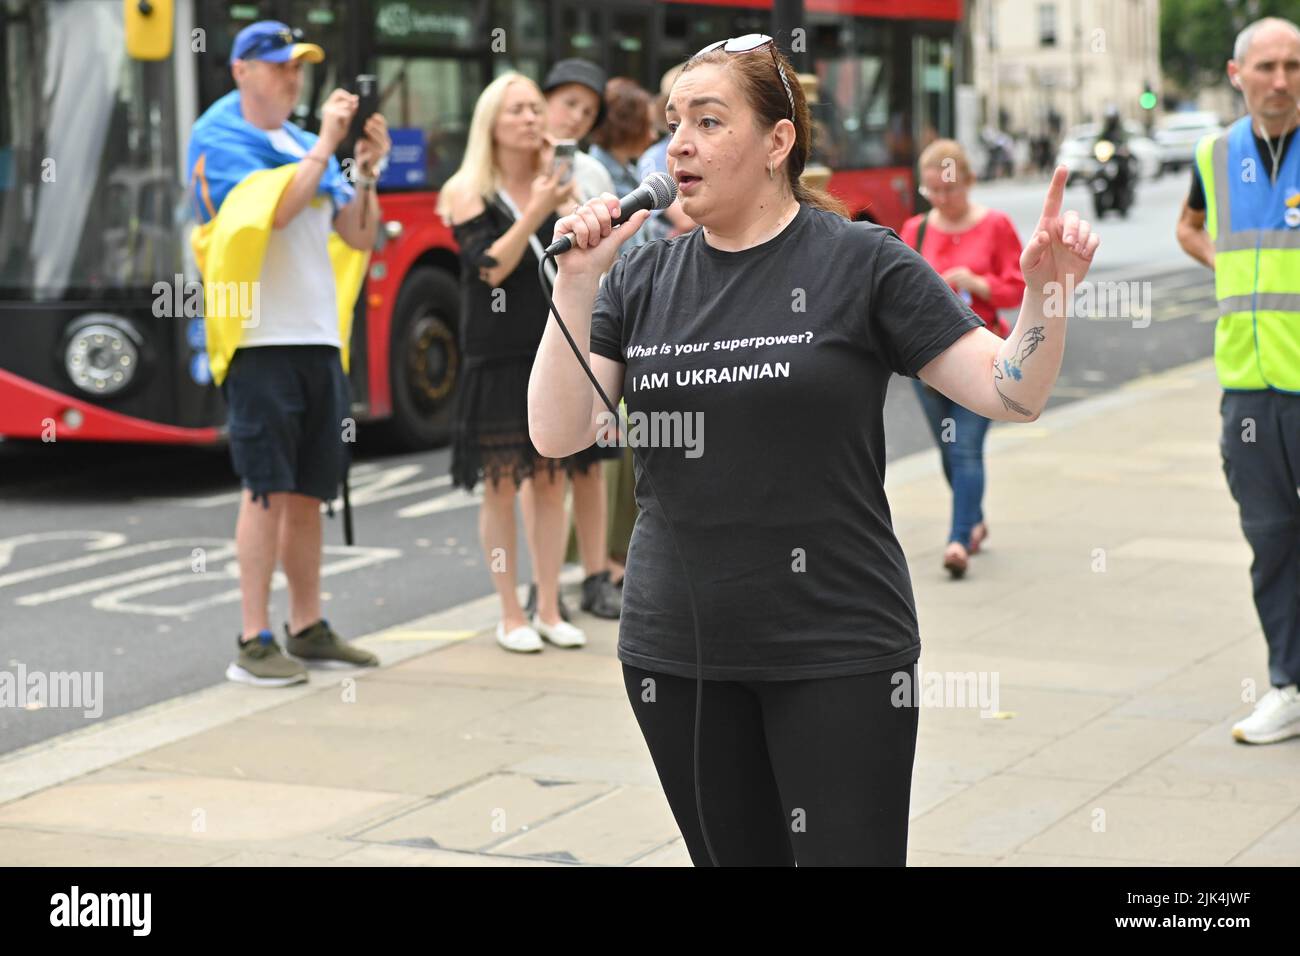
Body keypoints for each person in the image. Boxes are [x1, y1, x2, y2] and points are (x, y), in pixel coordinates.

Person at [528, 35, 1099, 865]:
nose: (678, 143)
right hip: (679, 654)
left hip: (837, 648)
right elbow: (558, 431)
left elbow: (1012, 391)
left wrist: (1046, 295)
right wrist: (576, 284)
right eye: (673, 122)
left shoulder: (862, 262)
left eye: (709, 121)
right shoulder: (640, 280)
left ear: (777, 142)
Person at [186, 20, 390, 685]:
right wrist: (328, 145)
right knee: (265, 489)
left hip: (318, 337)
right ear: (241, 71)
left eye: (298, 67)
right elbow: (270, 215)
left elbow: (359, 238)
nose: (292, 77)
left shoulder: (305, 143)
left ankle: (307, 627)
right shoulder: (218, 138)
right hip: (258, 340)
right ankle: (253, 638)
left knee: (308, 491)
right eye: (278, 66)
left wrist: (363, 171)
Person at [1176, 16, 1300, 745]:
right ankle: (1287, 683)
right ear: (1237, 74)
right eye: (1267, 67)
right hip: (1248, 388)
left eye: (1293, 65)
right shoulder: (1215, 154)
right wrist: (1226, 266)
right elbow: (1191, 225)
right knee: (1272, 541)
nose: (1281, 80)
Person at [437, 72, 591, 654]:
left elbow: (584, 250)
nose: (531, 119)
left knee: (552, 480)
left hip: (551, 345)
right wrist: (537, 209)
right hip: (495, 353)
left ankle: (548, 605)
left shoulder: (560, 182)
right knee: (501, 483)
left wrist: (563, 196)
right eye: (516, 111)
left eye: (534, 109)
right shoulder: (467, 189)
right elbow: (489, 267)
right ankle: (509, 613)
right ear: (491, 125)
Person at [900, 139, 1026, 578]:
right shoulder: (914, 229)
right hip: (928, 360)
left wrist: (980, 282)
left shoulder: (996, 226)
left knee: (966, 449)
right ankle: (972, 519)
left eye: (949, 189)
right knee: (948, 451)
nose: (941, 199)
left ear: (969, 182)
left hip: (984, 356)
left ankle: (958, 540)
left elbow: (1019, 288)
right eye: (932, 190)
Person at [531, 58, 623, 621]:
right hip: (527, 323)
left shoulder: (590, 172)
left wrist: (569, 200)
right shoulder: (512, 158)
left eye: (588, 112)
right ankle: (541, 589)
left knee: (592, 456)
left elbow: (608, 245)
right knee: (536, 467)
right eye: (568, 103)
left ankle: (594, 574)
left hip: (584, 319)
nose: (577, 117)